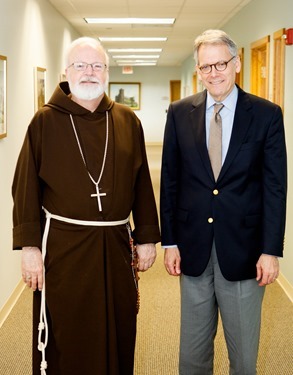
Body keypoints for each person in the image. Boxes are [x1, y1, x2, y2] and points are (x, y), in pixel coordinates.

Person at [12, 37, 160, 375]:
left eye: (96, 66)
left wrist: (148, 236)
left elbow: (141, 184)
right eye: (81, 65)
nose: (89, 73)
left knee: (119, 325)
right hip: (64, 249)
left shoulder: (126, 121)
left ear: (107, 73)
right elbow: (25, 189)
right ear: (67, 72)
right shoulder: (44, 122)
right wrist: (30, 248)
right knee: (69, 332)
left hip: (116, 247)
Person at [160, 29, 287, 374]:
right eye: (206, 67)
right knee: (192, 353)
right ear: (198, 70)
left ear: (237, 63)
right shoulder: (180, 112)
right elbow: (169, 181)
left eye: (221, 64)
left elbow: (275, 187)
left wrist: (271, 250)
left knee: (243, 355)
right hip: (192, 246)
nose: (213, 73)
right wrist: (169, 241)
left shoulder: (266, 115)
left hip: (246, 250)